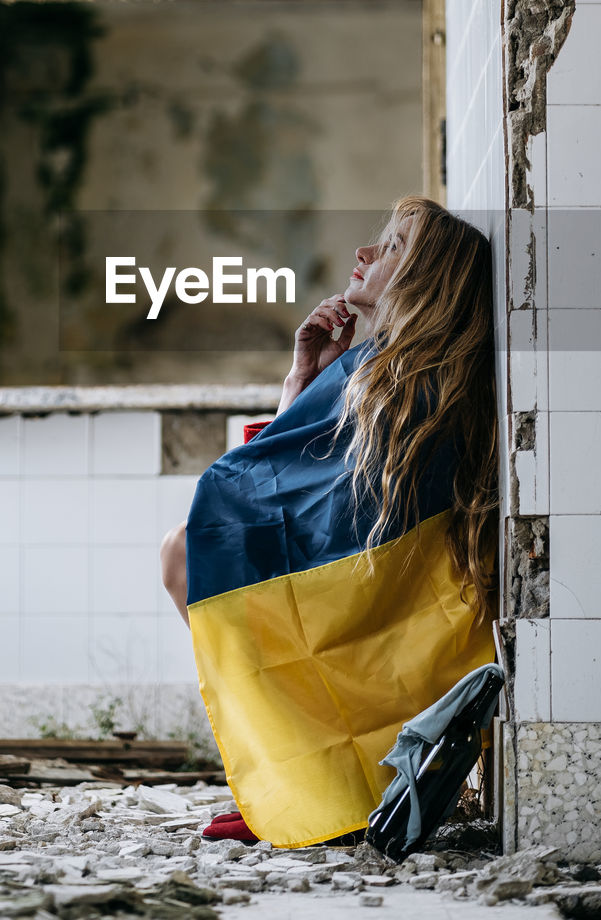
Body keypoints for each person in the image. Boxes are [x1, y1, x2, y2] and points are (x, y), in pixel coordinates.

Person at [160, 196, 499, 848]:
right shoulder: (380, 367)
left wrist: (307, 388)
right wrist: (303, 378)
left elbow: (284, 499)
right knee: (191, 552)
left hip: (380, 604)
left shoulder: (407, 378)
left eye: (392, 247)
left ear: (426, 279)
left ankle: (313, 792)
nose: (362, 254)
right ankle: (304, 788)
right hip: (367, 599)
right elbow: (284, 479)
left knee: (190, 552)